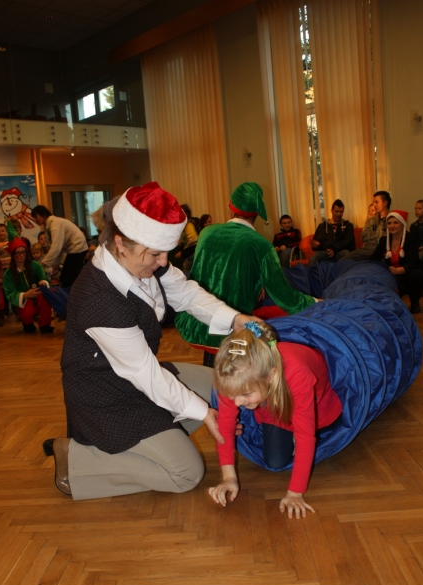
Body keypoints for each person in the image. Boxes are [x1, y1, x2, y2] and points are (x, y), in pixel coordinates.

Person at [42, 182, 260, 500]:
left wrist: (235, 319)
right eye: (156, 254)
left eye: (165, 252)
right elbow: (144, 373)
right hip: (105, 397)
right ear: (121, 243)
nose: (162, 261)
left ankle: (162, 434)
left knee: (217, 387)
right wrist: (204, 413)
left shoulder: (143, 259)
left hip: (137, 378)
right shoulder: (98, 297)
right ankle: (76, 461)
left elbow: (184, 293)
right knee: (187, 473)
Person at [209, 322, 342, 518]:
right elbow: (225, 429)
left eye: (245, 394)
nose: (237, 402)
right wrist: (229, 478)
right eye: (232, 395)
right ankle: (273, 412)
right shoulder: (233, 378)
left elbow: (306, 437)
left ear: (271, 376)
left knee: (329, 425)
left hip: (312, 397)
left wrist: (295, 493)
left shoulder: (296, 374)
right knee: (275, 461)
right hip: (273, 401)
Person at [176, 182, 316, 354]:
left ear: (231, 207)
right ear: (257, 212)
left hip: (192, 323)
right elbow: (286, 298)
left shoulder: (206, 233)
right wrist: (314, 302)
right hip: (232, 329)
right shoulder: (262, 245)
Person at [369, 210, 423, 314]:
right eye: (389, 223)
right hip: (393, 273)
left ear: (403, 224)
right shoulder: (384, 240)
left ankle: (414, 302)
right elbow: (375, 258)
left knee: (417, 275)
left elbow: (412, 261)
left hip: (408, 271)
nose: (392, 226)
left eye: (396, 222)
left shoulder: (411, 239)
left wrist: (401, 270)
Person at [2, 233, 54, 333]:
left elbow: (45, 279)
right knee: (27, 311)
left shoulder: (35, 265)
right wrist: (26, 295)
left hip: (38, 296)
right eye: (18, 253)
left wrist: (43, 282)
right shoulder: (8, 274)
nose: (21, 255)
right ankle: (27, 323)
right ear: (13, 255)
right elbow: (10, 293)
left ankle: (45, 325)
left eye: (23, 252)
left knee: (45, 298)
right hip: (24, 301)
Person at [30, 206, 88, 287]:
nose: (35, 220)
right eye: (34, 218)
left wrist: (43, 263)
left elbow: (56, 247)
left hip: (78, 248)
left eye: (36, 217)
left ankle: (71, 294)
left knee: (68, 278)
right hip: (75, 249)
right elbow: (57, 247)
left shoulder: (55, 223)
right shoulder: (50, 224)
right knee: (64, 277)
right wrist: (55, 264)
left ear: (43, 215)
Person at [342, 191, 391, 260]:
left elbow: (386, 240)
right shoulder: (371, 220)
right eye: (373, 202)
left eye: (376, 202)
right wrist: (376, 237)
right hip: (366, 250)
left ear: (385, 203)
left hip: (382, 251)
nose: (374, 205)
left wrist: (373, 236)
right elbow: (363, 237)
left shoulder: (392, 220)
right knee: (343, 260)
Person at [309, 199, 355, 265]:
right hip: (326, 252)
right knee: (313, 258)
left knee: (347, 254)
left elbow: (347, 241)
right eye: (336, 211)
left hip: (341, 251)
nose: (339, 214)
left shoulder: (348, 225)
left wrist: (334, 249)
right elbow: (316, 245)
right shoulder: (322, 226)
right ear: (331, 211)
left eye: (341, 212)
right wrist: (315, 245)